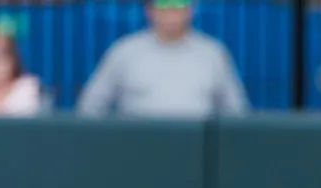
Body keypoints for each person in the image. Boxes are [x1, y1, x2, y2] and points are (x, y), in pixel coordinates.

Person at [75, 0, 249, 119]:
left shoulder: (213, 53)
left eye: (177, 5)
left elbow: (236, 111)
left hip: (199, 154)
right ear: (149, 10)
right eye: (163, 5)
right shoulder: (124, 51)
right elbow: (90, 106)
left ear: (191, 9)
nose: (171, 13)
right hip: (136, 151)